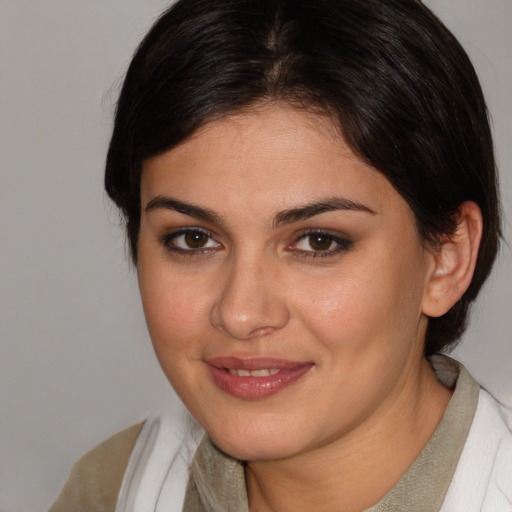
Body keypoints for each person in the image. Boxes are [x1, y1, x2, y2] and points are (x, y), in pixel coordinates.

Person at [48, 0, 512, 510]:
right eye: (194, 239)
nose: (241, 314)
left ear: (446, 258)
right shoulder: (113, 490)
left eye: (318, 241)